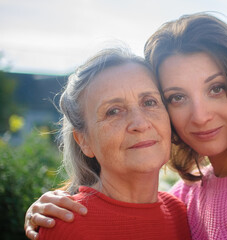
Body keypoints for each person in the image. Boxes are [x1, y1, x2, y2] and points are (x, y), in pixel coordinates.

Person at [25, 13, 227, 240]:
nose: (200, 116)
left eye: (216, 88)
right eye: (177, 97)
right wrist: (44, 209)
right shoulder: (186, 200)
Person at [33, 47, 191, 240]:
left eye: (149, 102)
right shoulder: (65, 224)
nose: (140, 124)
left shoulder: (180, 213)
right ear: (84, 141)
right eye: (113, 111)